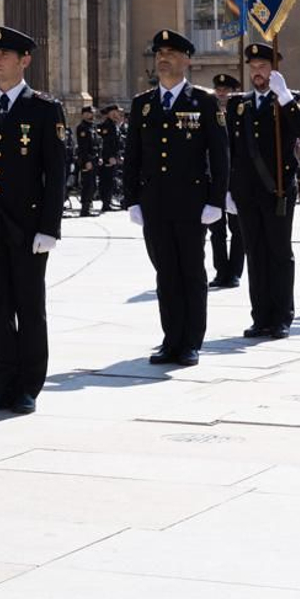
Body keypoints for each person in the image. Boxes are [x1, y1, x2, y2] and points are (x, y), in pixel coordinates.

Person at [0, 27, 67, 415]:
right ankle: (2, 382)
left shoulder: (43, 108)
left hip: (28, 227)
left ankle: (28, 386)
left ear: (25, 60)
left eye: (4, 55)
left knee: (29, 307)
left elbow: (55, 173)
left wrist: (50, 227)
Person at [123, 31, 228, 366]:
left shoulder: (204, 100)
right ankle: (171, 339)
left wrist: (216, 200)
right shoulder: (143, 104)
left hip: (191, 201)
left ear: (187, 59)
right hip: (154, 201)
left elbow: (220, 154)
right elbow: (133, 155)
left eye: (171, 52)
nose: (163, 57)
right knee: (165, 272)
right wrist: (132, 199)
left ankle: (190, 341)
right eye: (159, 52)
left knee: (191, 272)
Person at [226, 43, 300, 340]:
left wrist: (285, 96)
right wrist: (228, 190)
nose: (257, 73)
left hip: (277, 191)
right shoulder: (239, 104)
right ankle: (260, 316)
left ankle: (281, 317)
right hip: (246, 192)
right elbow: (231, 150)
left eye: (263, 67)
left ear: (274, 69)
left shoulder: (289, 99)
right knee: (255, 252)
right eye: (253, 68)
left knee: (278, 253)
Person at [208, 73, 246, 289]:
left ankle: (235, 272)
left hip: (235, 180)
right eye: (219, 90)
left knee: (238, 229)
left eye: (225, 90)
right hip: (214, 180)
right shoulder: (209, 112)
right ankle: (221, 271)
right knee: (216, 231)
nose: (221, 94)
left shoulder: (240, 114)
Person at [74, 105, 99, 217]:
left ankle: (88, 206)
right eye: (89, 113)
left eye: (92, 113)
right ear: (83, 114)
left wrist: (99, 157)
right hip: (87, 160)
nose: (91, 115)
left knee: (93, 185)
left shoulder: (92, 127)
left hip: (93, 159)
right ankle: (84, 209)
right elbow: (83, 147)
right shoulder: (82, 128)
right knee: (87, 185)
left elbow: (96, 144)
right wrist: (87, 161)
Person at [98, 105, 125, 210]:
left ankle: (108, 202)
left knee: (111, 180)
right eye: (114, 112)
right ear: (109, 113)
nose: (116, 115)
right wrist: (109, 157)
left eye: (117, 113)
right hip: (107, 158)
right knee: (106, 181)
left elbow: (116, 144)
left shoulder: (114, 125)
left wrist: (118, 156)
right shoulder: (106, 126)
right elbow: (105, 144)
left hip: (113, 157)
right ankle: (105, 204)